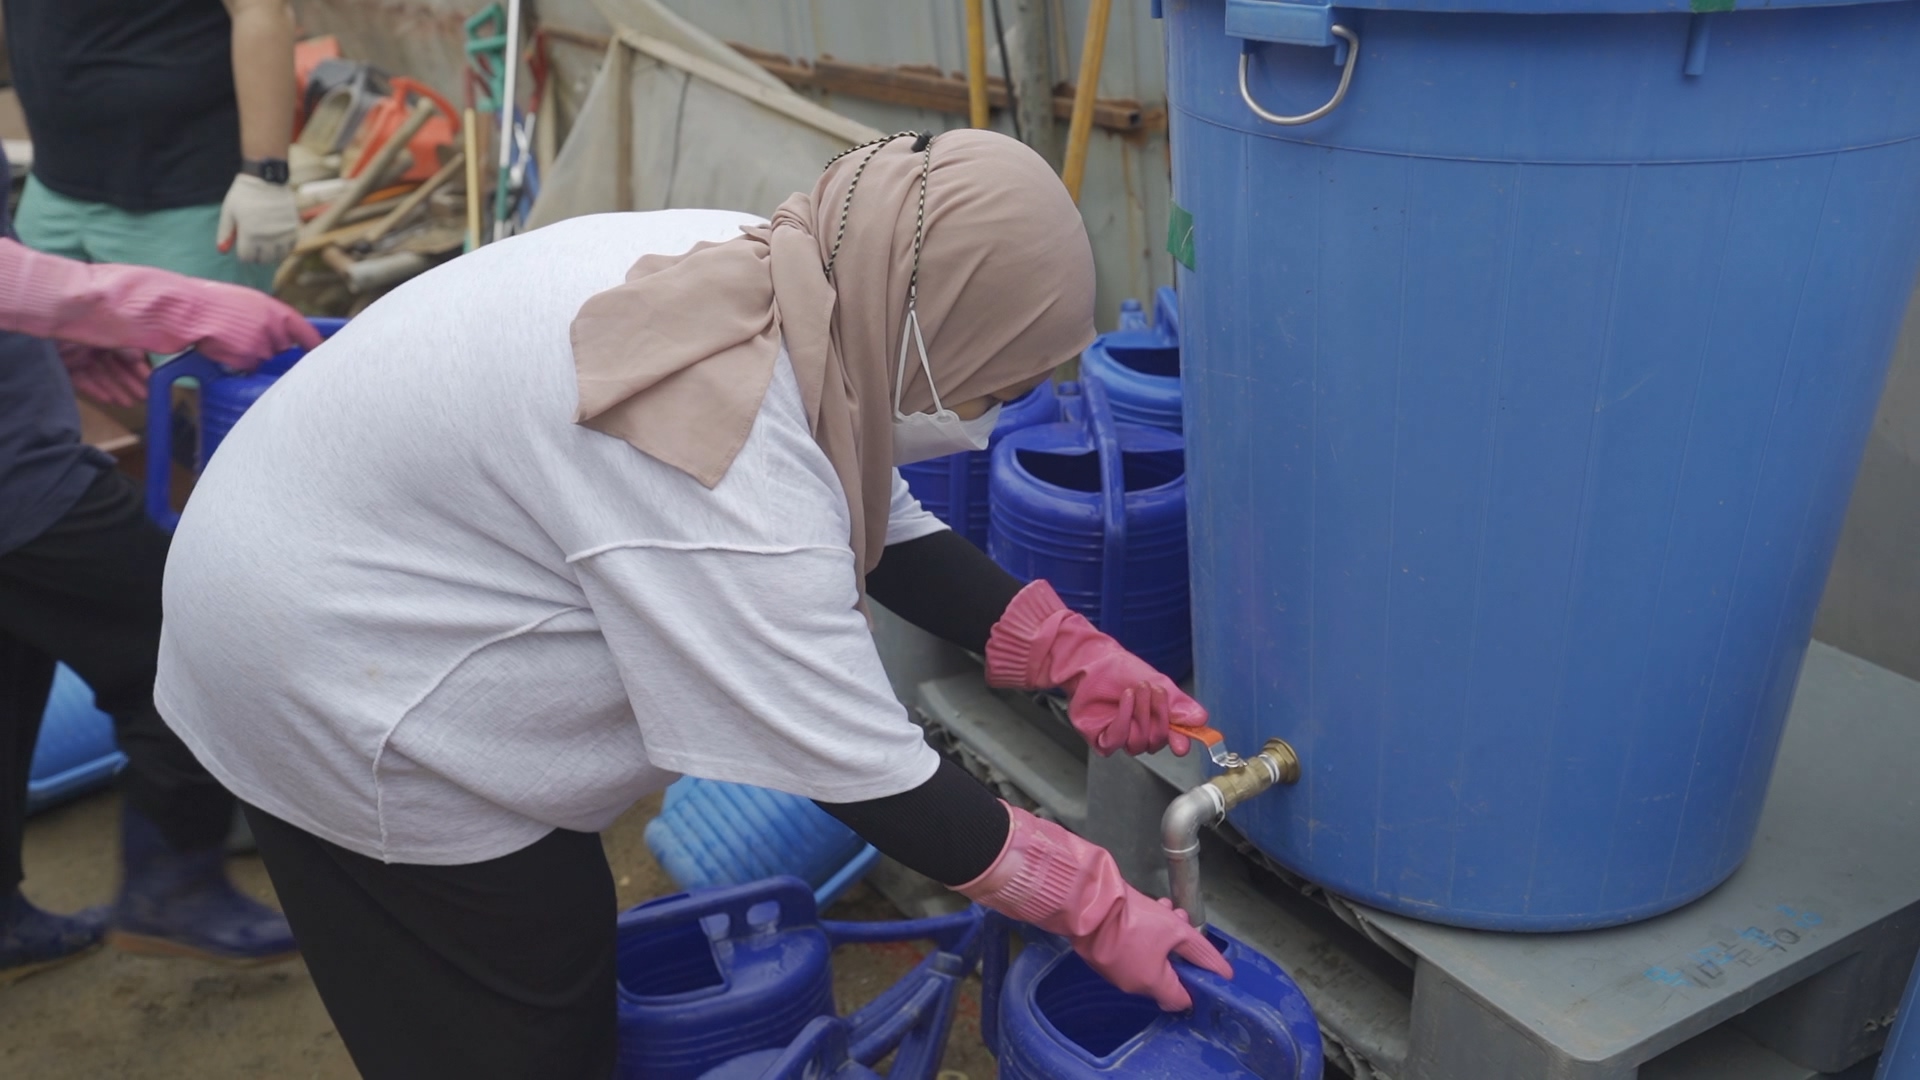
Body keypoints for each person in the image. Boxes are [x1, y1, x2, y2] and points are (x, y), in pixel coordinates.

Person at [155, 129, 1228, 1078]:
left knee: (552, 940)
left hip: (326, 533)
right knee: (508, 1024)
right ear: (926, 328)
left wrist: (1066, 651)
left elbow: (879, 524)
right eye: (992, 388)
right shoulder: (718, 445)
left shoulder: (802, 272)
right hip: (319, 655)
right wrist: (1090, 899)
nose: (994, 424)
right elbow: (856, 763)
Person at [0, 137, 319, 985]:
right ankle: (175, 884)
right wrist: (166, 307)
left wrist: (44, 341)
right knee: (180, 636)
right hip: (16, 484)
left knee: (9, 673)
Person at [3, 0, 300, 287]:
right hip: (50, 190)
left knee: (195, 337)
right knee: (30, 337)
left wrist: (265, 174)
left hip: (183, 200)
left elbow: (260, 8)